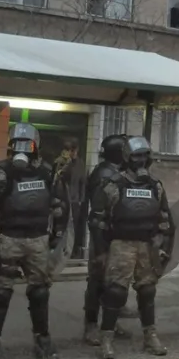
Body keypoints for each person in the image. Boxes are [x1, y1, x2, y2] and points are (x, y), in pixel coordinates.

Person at [0, 123, 68, 359]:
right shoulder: (1, 172)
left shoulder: (47, 173)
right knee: (0, 293)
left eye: (28, 145)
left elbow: (59, 205)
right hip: (9, 239)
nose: (22, 150)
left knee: (39, 292)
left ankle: (42, 339)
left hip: (38, 240)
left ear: (36, 147)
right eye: (18, 144)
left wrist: (58, 234)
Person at [90, 136, 174, 359]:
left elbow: (165, 219)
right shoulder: (113, 185)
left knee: (147, 291)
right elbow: (97, 220)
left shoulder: (155, 186)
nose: (141, 161)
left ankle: (150, 336)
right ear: (127, 158)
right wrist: (101, 252)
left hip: (147, 245)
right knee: (116, 292)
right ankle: (106, 339)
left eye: (145, 156)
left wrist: (164, 247)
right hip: (121, 245)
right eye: (137, 156)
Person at [80, 134, 132, 346]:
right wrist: (100, 248)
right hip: (103, 236)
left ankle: (110, 322)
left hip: (117, 235)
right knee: (97, 281)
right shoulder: (104, 174)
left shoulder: (117, 172)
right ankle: (91, 325)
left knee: (114, 282)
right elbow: (98, 213)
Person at [55, 139, 87, 259]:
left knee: (74, 225)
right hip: (62, 198)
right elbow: (58, 177)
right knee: (61, 224)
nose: (72, 153)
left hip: (74, 200)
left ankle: (73, 249)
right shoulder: (60, 162)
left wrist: (81, 199)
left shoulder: (80, 164)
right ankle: (60, 249)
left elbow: (82, 182)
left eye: (73, 150)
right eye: (69, 150)